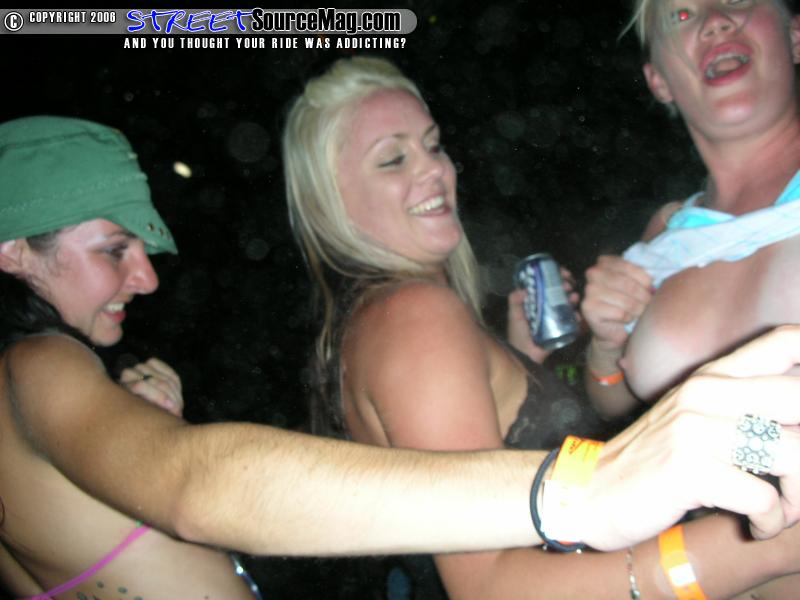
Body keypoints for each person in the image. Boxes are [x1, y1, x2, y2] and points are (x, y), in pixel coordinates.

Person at [1, 118, 799, 600]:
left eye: (434, 144)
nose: (146, 278)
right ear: (12, 252)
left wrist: (541, 361)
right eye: (113, 249)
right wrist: (594, 486)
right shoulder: (34, 363)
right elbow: (197, 486)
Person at [284, 55, 800, 599]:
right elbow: (489, 588)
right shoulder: (413, 317)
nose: (433, 170)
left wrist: (520, 363)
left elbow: (496, 487)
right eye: (392, 159)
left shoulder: (378, 323)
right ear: (331, 201)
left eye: (433, 146)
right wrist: (770, 546)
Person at [582, 0, 800, 420]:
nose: (715, 22)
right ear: (659, 81)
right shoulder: (667, 235)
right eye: (681, 15)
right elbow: (614, 403)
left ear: (794, 36)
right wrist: (605, 344)